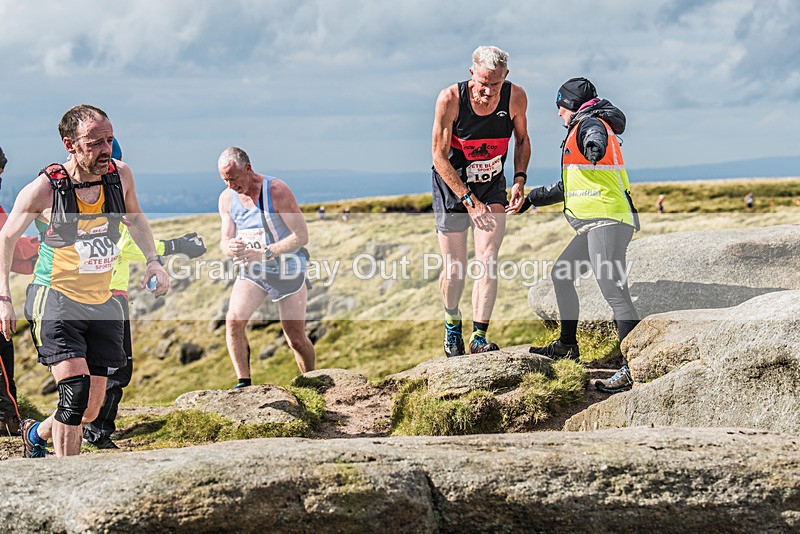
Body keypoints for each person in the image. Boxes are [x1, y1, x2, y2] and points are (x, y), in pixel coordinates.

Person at [0, 105, 169, 457]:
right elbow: (6, 239)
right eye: (94, 143)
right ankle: (67, 484)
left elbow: (135, 219)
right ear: (70, 144)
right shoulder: (45, 189)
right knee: (74, 393)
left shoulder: (119, 176)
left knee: (89, 409)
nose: (105, 149)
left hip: (102, 299)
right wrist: (4, 298)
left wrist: (154, 261)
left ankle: (35, 434)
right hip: (54, 297)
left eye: (109, 140)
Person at [507, 77, 640, 394]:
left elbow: (595, 137)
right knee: (561, 274)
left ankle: (633, 367)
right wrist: (529, 199)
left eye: (559, 107)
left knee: (614, 292)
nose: (557, 114)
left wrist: (594, 145)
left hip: (607, 221)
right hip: (595, 223)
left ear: (571, 106)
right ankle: (567, 345)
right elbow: (567, 187)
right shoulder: (580, 129)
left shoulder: (589, 125)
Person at [82, 140, 207, 450]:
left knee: (97, 368)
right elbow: (126, 244)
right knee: (115, 369)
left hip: (105, 294)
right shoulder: (106, 200)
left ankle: (86, 430)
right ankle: (96, 434)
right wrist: (178, 246)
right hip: (106, 297)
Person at [431, 45, 530, 356]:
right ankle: (451, 326)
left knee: (487, 259)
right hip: (453, 182)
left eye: (495, 84)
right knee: (455, 268)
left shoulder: (515, 96)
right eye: (483, 83)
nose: (488, 92)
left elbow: (523, 140)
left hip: (490, 182)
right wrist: (468, 199)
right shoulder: (450, 99)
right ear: (471, 72)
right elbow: (438, 157)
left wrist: (519, 179)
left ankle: (479, 337)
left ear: (506, 77)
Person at [217, 147, 315, 388]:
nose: (230, 185)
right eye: (225, 180)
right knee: (233, 321)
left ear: (248, 169)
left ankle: (311, 383)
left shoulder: (276, 190)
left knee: (295, 339)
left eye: (233, 178)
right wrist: (231, 248)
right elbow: (224, 240)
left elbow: (301, 236)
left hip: (287, 269)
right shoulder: (227, 199)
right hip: (254, 273)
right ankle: (243, 383)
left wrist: (266, 253)